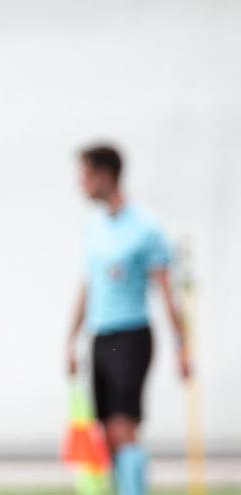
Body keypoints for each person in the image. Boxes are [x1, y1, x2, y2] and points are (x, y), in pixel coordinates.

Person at [66, 144, 192, 495]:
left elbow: (167, 293)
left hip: (131, 334)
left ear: (105, 175)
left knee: (124, 426)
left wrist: (183, 347)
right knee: (105, 432)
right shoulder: (93, 228)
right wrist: (71, 340)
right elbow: (87, 287)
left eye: (85, 175)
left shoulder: (146, 226)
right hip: (100, 336)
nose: (81, 184)